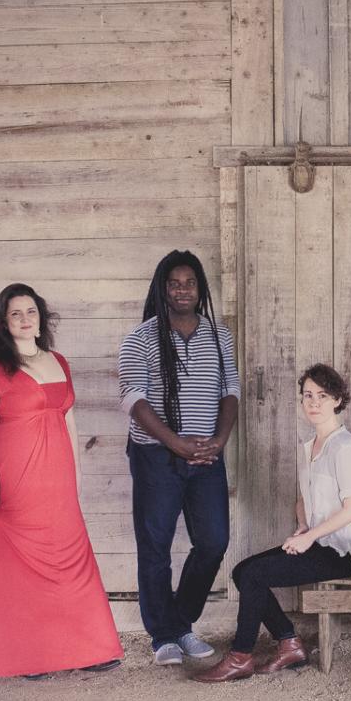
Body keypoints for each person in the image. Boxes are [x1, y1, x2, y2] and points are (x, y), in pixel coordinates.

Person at [0, 284, 123, 680]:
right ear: (3, 322)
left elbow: (68, 418)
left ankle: (90, 648)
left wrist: (75, 473)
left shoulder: (58, 360)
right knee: (24, 565)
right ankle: (32, 653)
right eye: (16, 313)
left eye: (31, 311)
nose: (25, 319)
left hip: (56, 477)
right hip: (16, 476)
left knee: (71, 560)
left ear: (41, 317)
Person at [196, 364, 351, 682]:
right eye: (307, 395)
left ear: (337, 400)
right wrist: (304, 525)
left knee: (253, 575)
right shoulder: (310, 446)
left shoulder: (343, 446)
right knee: (242, 572)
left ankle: (241, 657)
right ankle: (289, 643)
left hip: (343, 551)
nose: (313, 403)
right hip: (318, 541)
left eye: (322, 395)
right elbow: (303, 500)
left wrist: (309, 538)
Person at [118, 250, 240, 665]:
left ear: (200, 288)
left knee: (213, 540)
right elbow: (134, 400)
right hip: (156, 455)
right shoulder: (141, 338)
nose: (182, 289)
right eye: (174, 283)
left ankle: (180, 623)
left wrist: (219, 440)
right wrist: (175, 443)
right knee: (155, 545)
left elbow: (230, 393)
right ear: (162, 288)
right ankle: (163, 637)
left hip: (206, 455)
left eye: (190, 283)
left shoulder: (218, 335)